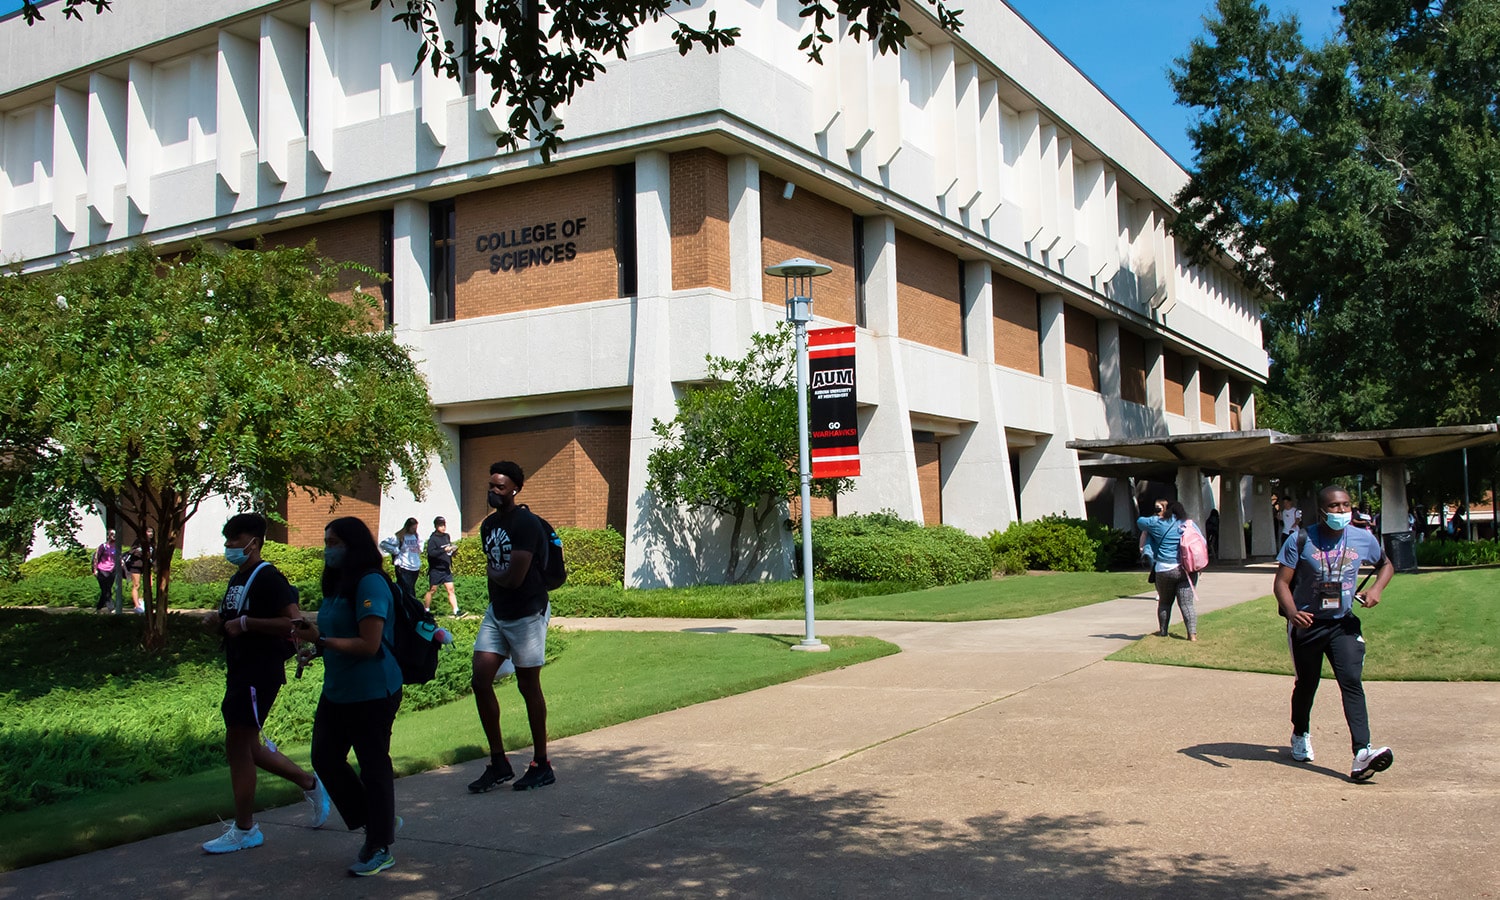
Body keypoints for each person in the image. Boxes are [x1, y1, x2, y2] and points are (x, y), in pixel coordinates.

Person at [200, 513, 329, 855]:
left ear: (253, 542)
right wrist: (219, 623)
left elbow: (295, 622)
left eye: (234, 539)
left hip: (259, 672)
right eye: (227, 539)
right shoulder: (237, 579)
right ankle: (310, 783)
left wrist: (246, 622)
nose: (228, 545)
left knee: (238, 747)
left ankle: (246, 829)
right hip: (240, 670)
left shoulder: (268, 576)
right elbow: (233, 623)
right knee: (248, 745)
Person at [293, 516, 404, 877]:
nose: (327, 549)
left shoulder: (371, 582)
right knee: (324, 758)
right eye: (326, 542)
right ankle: (378, 820)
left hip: (373, 691)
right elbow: (336, 632)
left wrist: (320, 641)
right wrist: (319, 649)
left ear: (353, 545)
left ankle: (379, 844)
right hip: (339, 690)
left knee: (373, 765)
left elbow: (370, 644)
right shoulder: (338, 584)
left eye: (334, 543)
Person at [1274, 485, 1396, 782]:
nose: (1341, 511)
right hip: (1308, 625)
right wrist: (1292, 613)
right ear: (1322, 511)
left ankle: (1362, 753)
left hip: (1343, 623)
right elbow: (1280, 583)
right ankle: (1300, 732)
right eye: (1334, 507)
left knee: (1351, 681)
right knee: (1307, 683)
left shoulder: (1362, 537)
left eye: (1345, 505)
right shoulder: (1300, 539)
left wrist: (1376, 589)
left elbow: (1386, 565)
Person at [467, 460, 555, 793]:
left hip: (527, 612)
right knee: (480, 679)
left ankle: (541, 763)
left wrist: (496, 576)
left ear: (515, 488)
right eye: (491, 486)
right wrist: (497, 578)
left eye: (499, 487)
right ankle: (499, 762)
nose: (493, 491)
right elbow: (499, 571)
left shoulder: (527, 524)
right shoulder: (488, 526)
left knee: (528, 686)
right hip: (498, 612)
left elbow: (514, 577)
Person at [1137, 501, 1201, 642]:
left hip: (1164, 569)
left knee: (1165, 603)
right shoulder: (1189, 524)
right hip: (1186, 570)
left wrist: (1158, 514)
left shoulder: (1157, 523)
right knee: (1187, 604)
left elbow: (1140, 522)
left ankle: (1163, 631)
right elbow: (1201, 542)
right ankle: (1192, 635)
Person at [422, 516, 461, 616]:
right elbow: (431, 553)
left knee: (451, 589)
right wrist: (444, 550)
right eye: (440, 525)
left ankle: (456, 610)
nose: (443, 527)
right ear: (436, 526)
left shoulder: (446, 536)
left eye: (444, 525)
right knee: (432, 590)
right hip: (436, 569)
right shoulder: (433, 539)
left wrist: (453, 551)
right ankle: (426, 610)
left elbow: (449, 550)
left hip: (446, 569)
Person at [392, 518, 422, 601]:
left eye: (416, 528)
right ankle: (410, 606)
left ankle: (409, 605)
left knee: (411, 587)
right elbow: (385, 544)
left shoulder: (416, 536)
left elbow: (420, 547)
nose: (414, 530)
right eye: (413, 528)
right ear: (408, 527)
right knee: (408, 589)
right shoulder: (400, 536)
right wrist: (396, 551)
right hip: (404, 566)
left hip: (414, 566)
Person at [125, 527, 154, 614]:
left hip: (147, 566)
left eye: (152, 532)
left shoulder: (152, 544)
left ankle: (142, 600)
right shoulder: (138, 542)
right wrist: (143, 553)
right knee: (136, 585)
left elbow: (154, 555)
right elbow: (132, 551)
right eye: (148, 531)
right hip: (136, 566)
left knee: (150, 584)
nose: (151, 533)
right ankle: (137, 605)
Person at [91, 529, 120, 612]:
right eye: (112, 534)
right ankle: (111, 608)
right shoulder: (103, 546)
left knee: (107, 590)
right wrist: (95, 569)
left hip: (112, 570)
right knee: (106, 590)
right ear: (108, 536)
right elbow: (96, 558)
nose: (114, 536)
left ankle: (98, 608)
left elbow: (118, 558)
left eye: (115, 534)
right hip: (102, 570)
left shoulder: (117, 547)